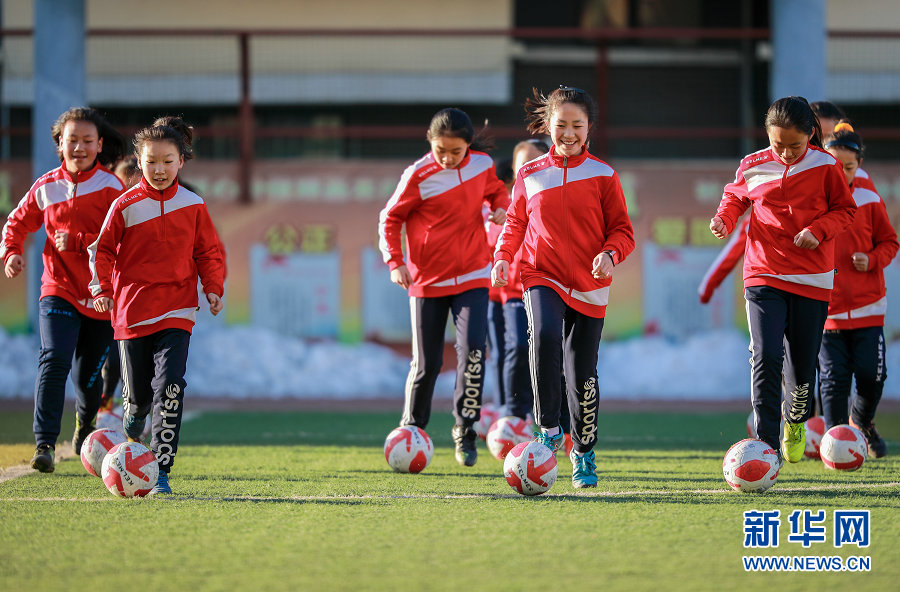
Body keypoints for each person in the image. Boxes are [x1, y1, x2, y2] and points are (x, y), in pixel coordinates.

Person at [492, 86, 635, 488]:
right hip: (542, 273)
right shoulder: (529, 174)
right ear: (547, 126)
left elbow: (623, 231)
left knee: (582, 375)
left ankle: (584, 450)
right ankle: (548, 429)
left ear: (589, 127)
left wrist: (610, 254)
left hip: (591, 286)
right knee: (544, 335)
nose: (568, 133)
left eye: (577, 125)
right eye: (560, 126)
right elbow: (516, 223)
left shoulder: (604, 175)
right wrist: (503, 256)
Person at [709, 96, 856, 465]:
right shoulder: (753, 164)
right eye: (778, 145)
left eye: (795, 145)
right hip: (764, 273)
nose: (786, 153)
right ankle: (765, 444)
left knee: (802, 367)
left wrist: (818, 230)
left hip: (812, 278)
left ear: (811, 135)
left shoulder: (826, 167)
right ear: (767, 136)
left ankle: (796, 420)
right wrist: (724, 220)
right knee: (766, 355)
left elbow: (845, 210)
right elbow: (735, 198)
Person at [89, 117, 225, 494]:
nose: (160, 169)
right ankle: (132, 423)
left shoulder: (194, 204)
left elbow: (208, 251)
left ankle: (160, 470)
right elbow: (101, 251)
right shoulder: (124, 205)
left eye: (168, 161)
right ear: (139, 161)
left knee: (171, 388)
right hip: (132, 313)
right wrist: (102, 288)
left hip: (178, 309)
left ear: (181, 161)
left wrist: (212, 287)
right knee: (138, 406)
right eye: (152, 162)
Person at [378, 108, 509, 467]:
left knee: (473, 353)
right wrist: (395, 262)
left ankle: (465, 430)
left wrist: (500, 207)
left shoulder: (482, 165)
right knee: (428, 363)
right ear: (430, 144)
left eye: (456, 151)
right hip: (427, 280)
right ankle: (412, 429)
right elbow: (390, 218)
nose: (449, 158)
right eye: (440, 151)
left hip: (472, 274)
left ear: (469, 146)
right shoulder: (418, 174)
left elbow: (498, 192)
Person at [1, 107, 125, 472]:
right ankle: (43, 446)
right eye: (72, 140)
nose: (80, 147)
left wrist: (78, 240)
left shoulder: (112, 188)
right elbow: (16, 222)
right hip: (58, 289)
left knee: (86, 381)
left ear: (100, 145)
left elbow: (122, 242)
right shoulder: (46, 186)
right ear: (59, 144)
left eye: (88, 140)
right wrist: (10, 252)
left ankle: (85, 425)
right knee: (53, 360)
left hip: (102, 298)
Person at [818, 123, 898, 457]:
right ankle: (833, 445)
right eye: (835, 167)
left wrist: (872, 258)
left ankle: (862, 422)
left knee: (871, 375)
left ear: (858, 166)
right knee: (833, 382)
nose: (842, 173)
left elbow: (890, 242)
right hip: (827, 313)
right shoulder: (813, 203)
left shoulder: (868, 199)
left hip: (868, 310)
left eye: (848, 167)